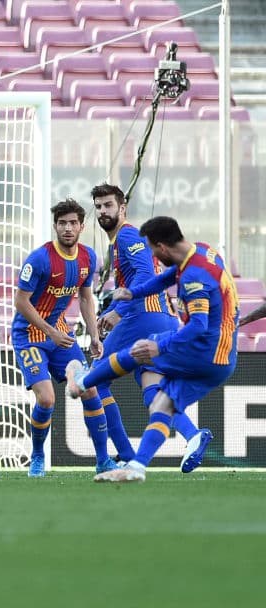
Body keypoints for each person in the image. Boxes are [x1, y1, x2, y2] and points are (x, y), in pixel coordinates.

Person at [67, 216, 239, 482]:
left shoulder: (194, 278)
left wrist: (160, 346)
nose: (153, 257)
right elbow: (165, 278)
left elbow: (198, 326)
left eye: (153, 250)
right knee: (162, 403)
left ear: (162, 247)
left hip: (205, 350)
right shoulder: (202, 251)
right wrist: (133, 294)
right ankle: (137, 466)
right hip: (225, 359)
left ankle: (83, 381)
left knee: (137, 351)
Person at [90, 184, 210, 471]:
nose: (103, 211)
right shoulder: (118, 241)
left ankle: (124, 453)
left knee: (94, 382)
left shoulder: (127, 234)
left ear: (122, 208)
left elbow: (144, 272)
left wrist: (120, 311)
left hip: (143, 317)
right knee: (154, 390)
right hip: (161, 318)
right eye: (98, 206)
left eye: (108, 205)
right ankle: (193, 436)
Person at [12, 198, 113, 477]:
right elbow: (21, 302)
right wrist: (51, 332)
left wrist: (94, 335)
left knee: (89, 388)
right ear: (55, 226)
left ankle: (103, 461)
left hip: (61, 337)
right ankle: (36, 456)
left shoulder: (88, 257)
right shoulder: (40, 259)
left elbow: (85, 297)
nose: (67, 228)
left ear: (81, 226)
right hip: (30, 337)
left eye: (72, 223)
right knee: (46, 400)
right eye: (62, 223)